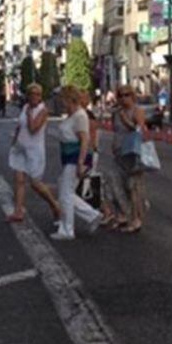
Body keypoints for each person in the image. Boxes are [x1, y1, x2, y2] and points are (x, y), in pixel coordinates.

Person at [52, 86, 103, 240]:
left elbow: (85, 139)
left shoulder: (80, 116)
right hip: (69, 157)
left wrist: (81, 162)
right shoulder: (73, 115)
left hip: (75, 158)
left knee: (65, 193)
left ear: (69, 99)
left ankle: (67, 230)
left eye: (62, 99)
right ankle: (92, 215)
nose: (60, 102)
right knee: (65, 191)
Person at [6, 83, 61, 223]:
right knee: (19, 181)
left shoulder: (43, 111)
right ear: (28, 95)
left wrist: (30, 114)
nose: (35, 97)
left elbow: (33, 129)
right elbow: (20, 125)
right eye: (32, 94)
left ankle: (55, 205)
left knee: (35, 183)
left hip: (34, 150)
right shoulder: (25, 107)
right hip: (20, 148)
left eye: (38, 94)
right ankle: (18, 211)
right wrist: (14, 141)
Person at [111, 84, 148, 234]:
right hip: (119, 152)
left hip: (132, 153)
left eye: (127, 95)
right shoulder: (116, 113)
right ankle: (123, 215)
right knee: (116, 184)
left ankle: (136, 219)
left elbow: (138, 130)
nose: (123, 98)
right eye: (120, 95)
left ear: (132, 96)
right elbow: (116, 131)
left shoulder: (137, 111)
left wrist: (125, 119)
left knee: (133, 187)